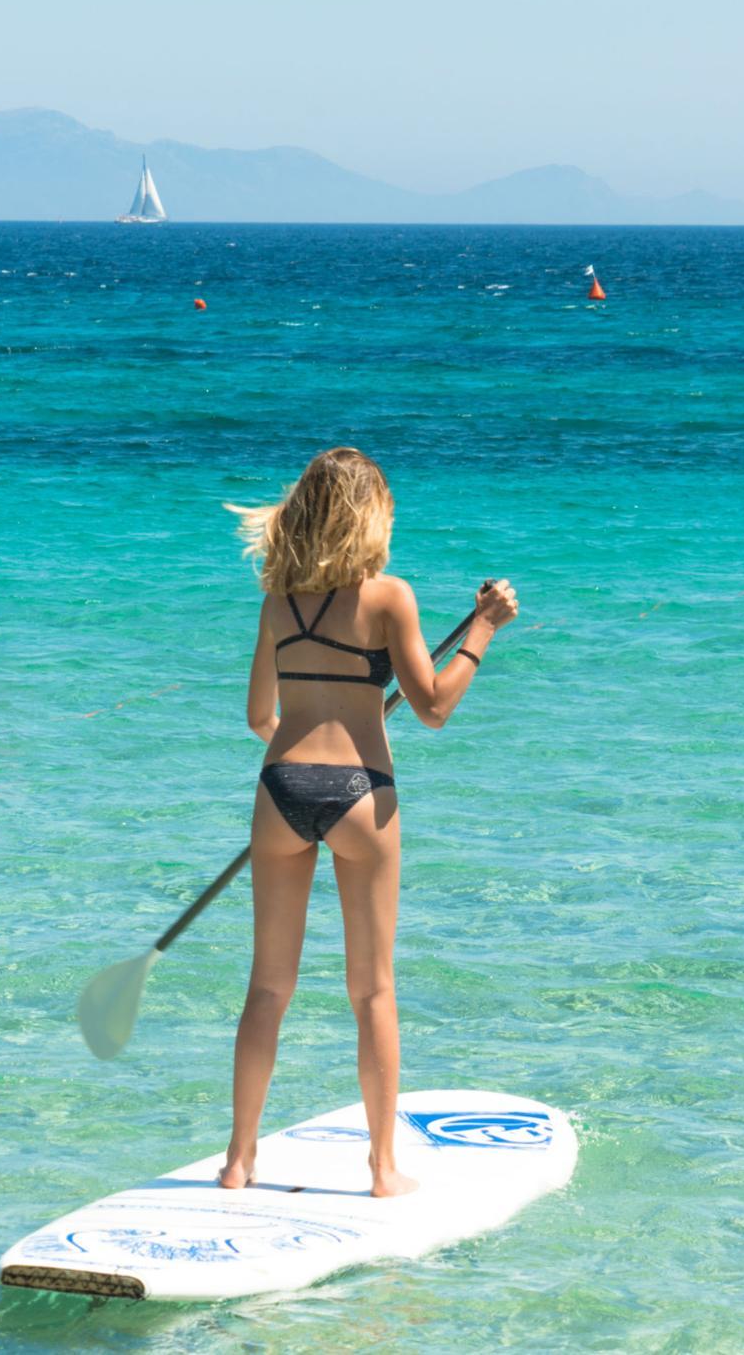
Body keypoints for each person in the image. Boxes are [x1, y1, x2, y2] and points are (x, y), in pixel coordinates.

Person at [216, 448, 516, 1197]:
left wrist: (305, 745)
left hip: (280, 787)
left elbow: (259, 717)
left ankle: (238, 1162)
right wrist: (482, 629)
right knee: (372, 991)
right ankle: (383, 1169)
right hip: (361, 792)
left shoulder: (277, 601)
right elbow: (434, 708)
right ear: (370, 517)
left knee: (268, 987)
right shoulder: (389, 597)